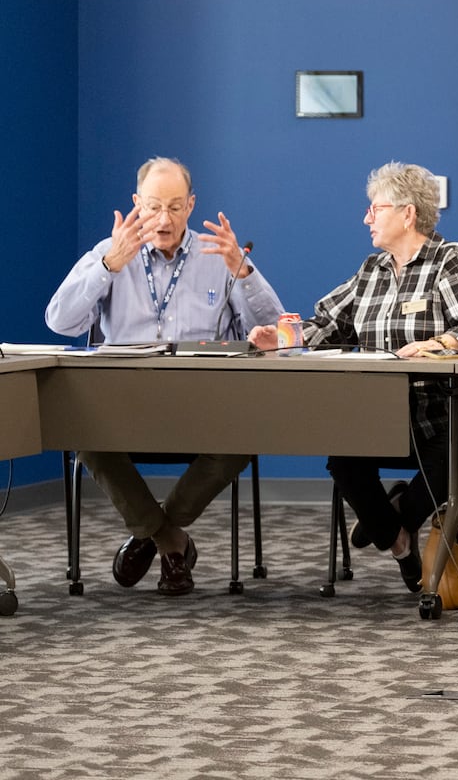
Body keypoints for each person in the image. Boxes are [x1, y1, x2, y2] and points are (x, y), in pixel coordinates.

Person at [250, 162, 458, 593]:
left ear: (407, 214)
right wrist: (283, 338)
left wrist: (439, 344)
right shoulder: (371, 270)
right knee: (343, 459)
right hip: (379, 411)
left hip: (444, 409)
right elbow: (326, 322)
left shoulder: (449, 260)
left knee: (450, 463)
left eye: (375, 208)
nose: (366, 218)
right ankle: (401, 542)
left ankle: (395, 516)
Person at [45, 157, 285, 595]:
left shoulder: (220, 256)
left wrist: (243, 272)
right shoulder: (110, 251)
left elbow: (280, 330)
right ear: (136, 203)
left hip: (205, 408)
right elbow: (60, 321)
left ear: (191, 206)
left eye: (175, 207)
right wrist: (107, 268)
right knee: (79, 432)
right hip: (121, 409)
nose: (164, 219)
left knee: (246, 435)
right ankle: (171, 541)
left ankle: (152, 532)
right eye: (154, 207)